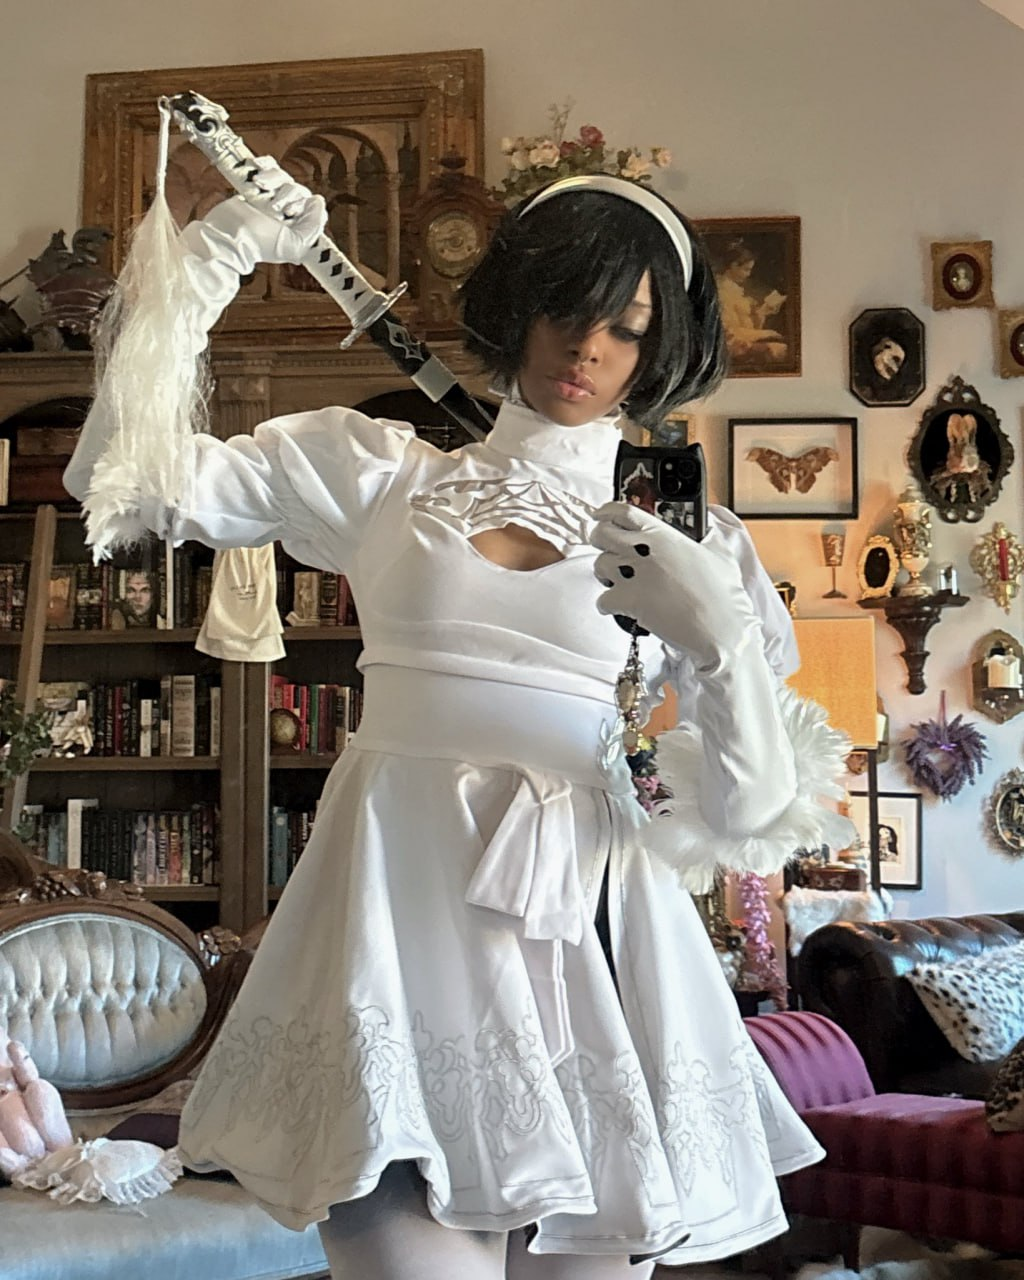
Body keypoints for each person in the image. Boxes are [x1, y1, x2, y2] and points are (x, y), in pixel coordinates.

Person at [63, 166, 851, 1278]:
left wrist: (717, 637)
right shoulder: (382, 475)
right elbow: (124, 477)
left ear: (659, 346)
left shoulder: (696, 545)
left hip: (592, 951)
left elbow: (752, 816)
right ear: (518, 301)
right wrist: (212, 257)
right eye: (566, 307)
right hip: (392, 946)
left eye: (627, 328)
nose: (588, 349)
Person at [712, 238, 787, 364]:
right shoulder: (722, 291)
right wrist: (766, 333)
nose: (748, 274)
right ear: (733, 265)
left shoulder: (735, 290)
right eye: (746, 270)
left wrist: (761, 313)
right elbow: (730, 332)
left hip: (744, 342)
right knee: (780, 351)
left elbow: (746, 324)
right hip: (734, 346)